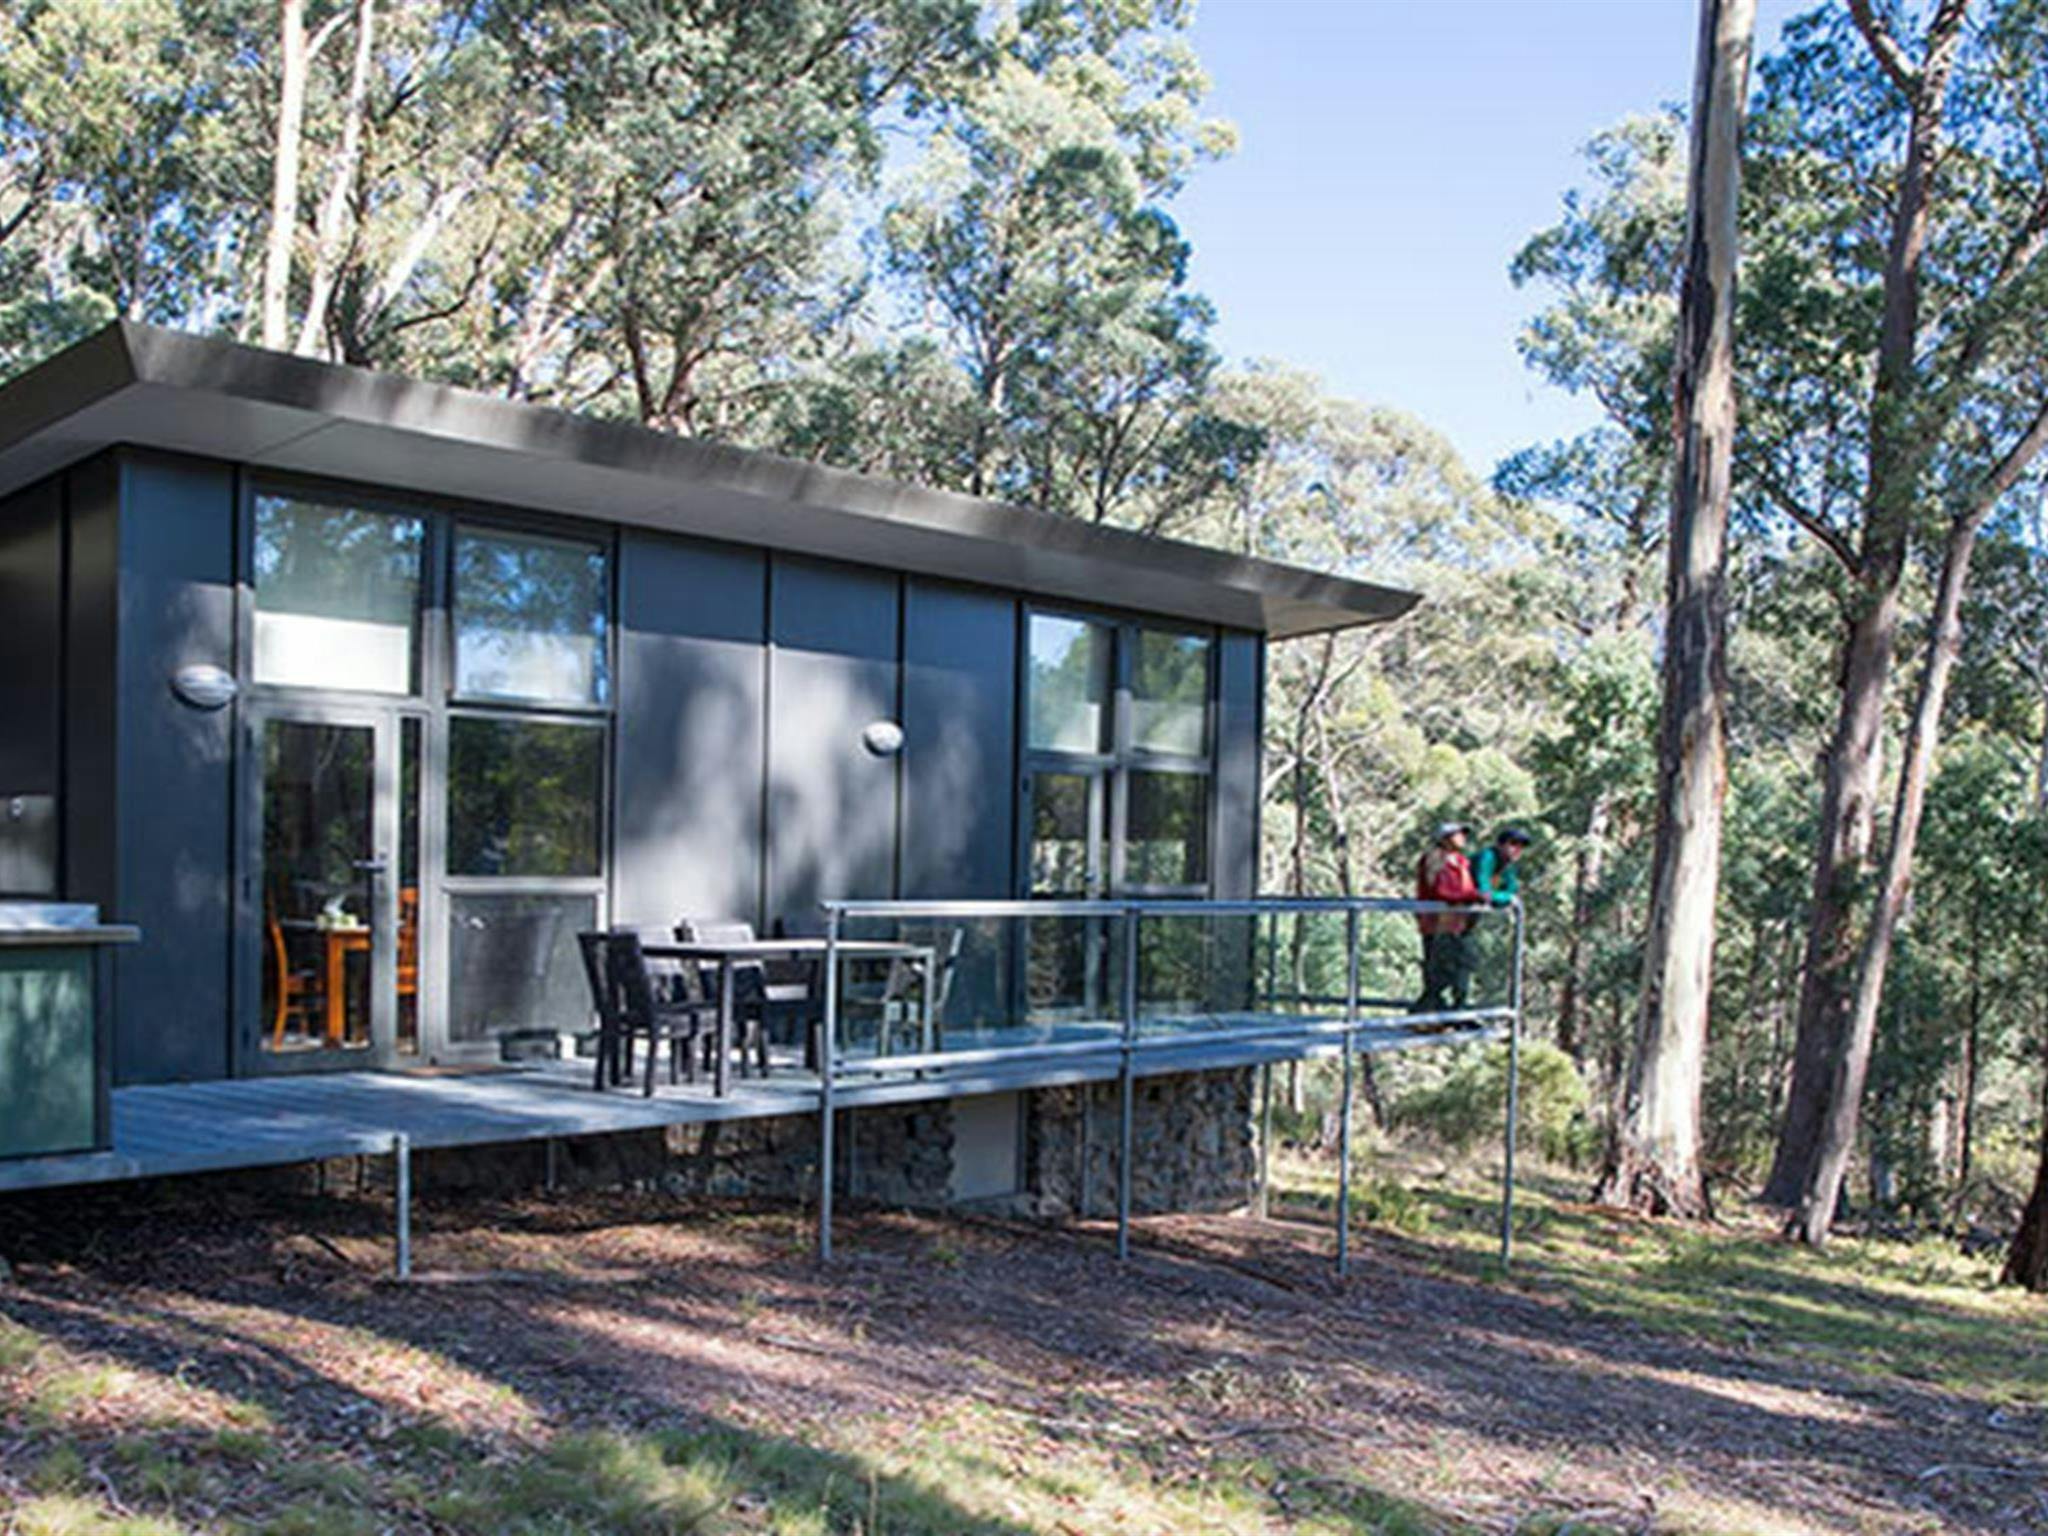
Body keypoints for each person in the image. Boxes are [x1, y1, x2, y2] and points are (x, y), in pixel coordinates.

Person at [1414, 821, 1480, 1014]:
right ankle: (1427, 1012)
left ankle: (1456, 1011)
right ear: (1445, 839)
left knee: (1461, 966)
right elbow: (1440, 890)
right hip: (1437, 924)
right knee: (1439, 972)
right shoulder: (1435, 858)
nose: (1462, 838)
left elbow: (1465, 888)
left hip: (1457, 924)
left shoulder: (1460, 861)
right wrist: (1472, 896)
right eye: (1457, 834)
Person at [1473, 826, 1533, 910]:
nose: (1518, 849)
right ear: (1500, 845)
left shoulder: (1508, 865)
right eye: (1513, 843)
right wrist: (1507, 898)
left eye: (1522, 846)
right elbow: (1484, 894)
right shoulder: (1487, 857)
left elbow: (1512, 890)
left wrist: (1507, 898)